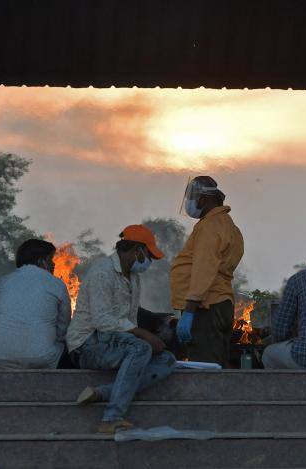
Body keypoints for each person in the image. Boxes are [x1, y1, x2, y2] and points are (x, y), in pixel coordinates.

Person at [66, 224, 175, 434]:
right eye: (149, 255)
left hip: (113, 344)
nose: (149, 262)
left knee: (167, 359)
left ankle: (103, 393)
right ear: (137, 250)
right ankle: (111, 418)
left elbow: (128, 321)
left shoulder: (133, 278)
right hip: (87, 345)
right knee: (141, 348)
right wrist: (144, 335)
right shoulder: (102, 273)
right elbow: (102, 320)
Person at [171, 176, 244, 367]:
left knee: (205, 369)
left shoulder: (210, 227)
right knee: (216, 363)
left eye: (191, 198)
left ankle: (208, 398)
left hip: (206, 308)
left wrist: (189, 312)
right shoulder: (229, 226)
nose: (189, 204)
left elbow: (204, 269)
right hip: (219, 304)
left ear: (203, 199)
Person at [0, 239, 71, 369]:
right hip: (43, 359)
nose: (54, 265)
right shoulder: (57, 284)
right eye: (51, 260)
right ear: (42, 262)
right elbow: (64, 331)